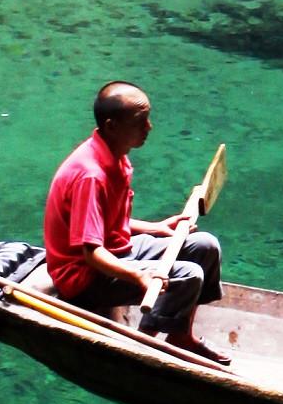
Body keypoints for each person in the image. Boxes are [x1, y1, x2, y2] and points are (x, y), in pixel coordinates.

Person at [44, 82, 223, 355]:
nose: (148, 127)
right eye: (140, 122)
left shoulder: (116, 156)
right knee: (189, 275)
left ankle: (179, 335)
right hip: (84, 275)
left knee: (205, 246)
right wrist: (138, 274)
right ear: (111, 126)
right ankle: (143, 343)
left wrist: (156, 228)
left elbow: (106, 222)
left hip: (116, 249)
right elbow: (91, 253)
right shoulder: (91, 176)